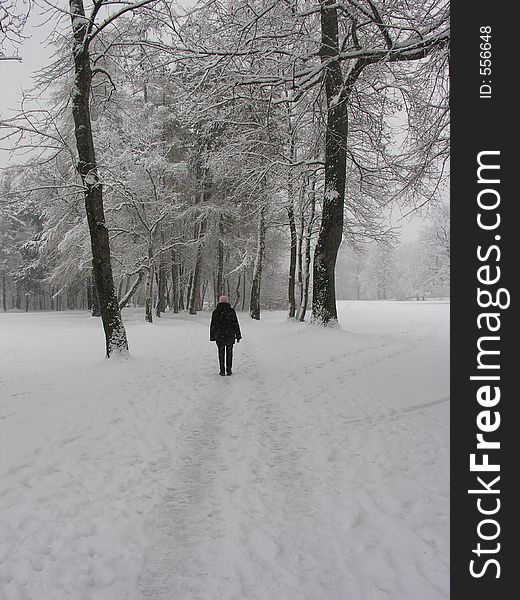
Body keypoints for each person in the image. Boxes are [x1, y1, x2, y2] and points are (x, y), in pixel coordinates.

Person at [209, 295, 242, 376]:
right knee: (229, 353)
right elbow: (236, 324)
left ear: (219, 302)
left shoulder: (216, 312)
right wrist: (238, 335)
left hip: (219, 336)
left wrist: (212, 336)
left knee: (221, 353)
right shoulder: (231, 311)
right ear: (227, 302)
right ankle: (229, 370)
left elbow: (213, 325)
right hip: (230, 335)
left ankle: (222, 370)